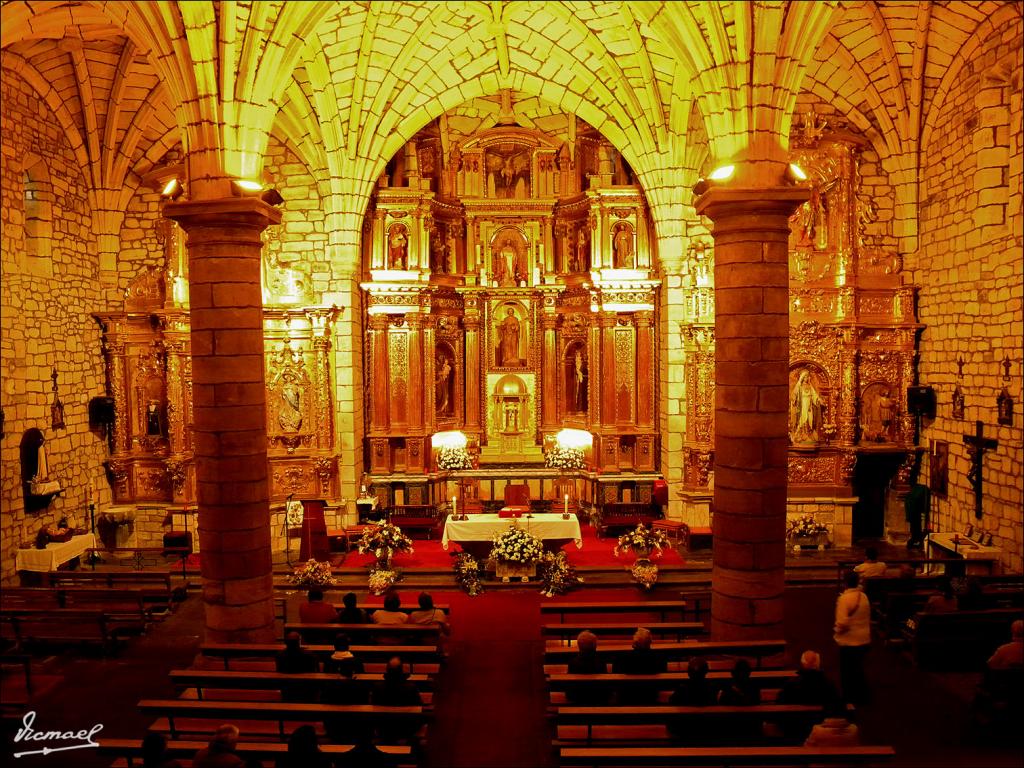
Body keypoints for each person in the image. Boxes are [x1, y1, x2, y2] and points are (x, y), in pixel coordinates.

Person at [834, 570, 871, 705]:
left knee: (847, 671)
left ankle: (849, 698)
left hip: (849, 640)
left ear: (845, 583)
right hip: (864, 638)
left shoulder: (844, 599)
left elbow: (842, 621)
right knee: (859, 668)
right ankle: (862, 696)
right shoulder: (864, 597)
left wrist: (836, 630)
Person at [372, 657, 423, 743]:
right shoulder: (411, 687)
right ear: (401, 670)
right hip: (405, 729)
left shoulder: (378, 687)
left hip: (384, 729)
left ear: (387, 670)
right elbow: (419, 708)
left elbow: (373, 707)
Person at [612, 628, 666, 703]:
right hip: (650, 695)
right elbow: (663, 681)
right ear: (650, 642)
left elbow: (615, 677)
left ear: (634, 644)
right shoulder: (659, 658)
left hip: (627, 696)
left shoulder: (622, 658)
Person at [566, 630, 609, 704]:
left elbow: (570, 685)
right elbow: (606, 684)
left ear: (579, 646)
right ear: (595, 646)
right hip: (599, 697)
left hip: (577, 697)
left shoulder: (573, 662)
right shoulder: (601, 662)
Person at [789, 368, 823, 444]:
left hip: (809, 407)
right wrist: (794, 398)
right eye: (806, 377)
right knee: (802, 419)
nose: (807, 378)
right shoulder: (799, 387)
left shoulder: (810, 386)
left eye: (808, 377)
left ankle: (809, 435)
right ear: (802, 377)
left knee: (810, 420)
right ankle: (801, 436)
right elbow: (794, 395)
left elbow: (814, 395)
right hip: (802, 407)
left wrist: (818, 400)